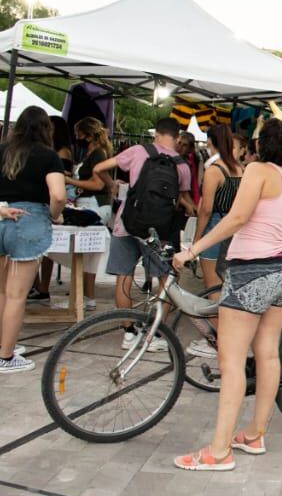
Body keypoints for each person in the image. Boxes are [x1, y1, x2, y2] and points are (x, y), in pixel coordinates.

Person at [170, 117, 282, 471]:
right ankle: (254, 433)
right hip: (281, 272)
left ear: (261, 145)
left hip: (250, 272)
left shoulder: (256, 172)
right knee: (267, 355)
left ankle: (218, 452)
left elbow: (235, 218)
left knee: (231, 361)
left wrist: (192, 249)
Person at [0, 106, 67, 373]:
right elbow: (58, 195)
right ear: (46, 129)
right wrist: (55, 216)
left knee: (0, 290)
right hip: (29, 219)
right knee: (17, 294)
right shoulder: (48, 157)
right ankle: (8, 358)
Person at [93, 118, 194, 343]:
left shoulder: (138, 151)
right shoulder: (182, 165)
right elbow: (184, 200)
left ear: (156, 134)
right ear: (177, 137)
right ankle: (154, 333)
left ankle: (128, 332)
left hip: (127, 223)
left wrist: (111, 185)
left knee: (124, 276)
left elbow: (98, 168)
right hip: (160, 230)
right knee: (165, 280)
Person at [64, 117, 117, 309]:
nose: (76, 136)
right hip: (89, 202)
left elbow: (98, 184)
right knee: (86, 253)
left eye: (79, 132)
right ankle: (84, 294)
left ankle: (89, 296)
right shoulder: (92, 153)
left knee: (89, 252)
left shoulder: (98, 155)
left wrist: (71, 182)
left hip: (94, 203)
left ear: (87, 133)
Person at [27, 116, 78, 304]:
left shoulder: (60, 153)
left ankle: (42, 286)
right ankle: (37, 285)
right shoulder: (47, 152)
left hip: (53, 200)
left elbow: (61, 183)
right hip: (47, 200)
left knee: (46, 249)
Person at [193, 123, 244, 292]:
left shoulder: (214, 171)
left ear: (213, 144)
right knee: (227, 285)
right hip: (235, 228)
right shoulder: (240, 169)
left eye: (208, 145)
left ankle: (218, 320)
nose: (208, 149)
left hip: (215, 226)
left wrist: (196, 240)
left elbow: (206, 209)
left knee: (212, 286)